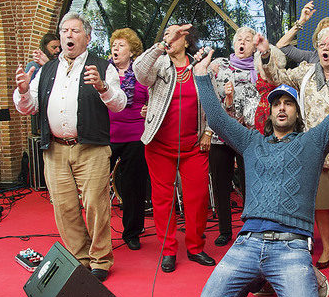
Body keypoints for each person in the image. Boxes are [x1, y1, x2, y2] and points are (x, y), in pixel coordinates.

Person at [195, 36, 329, 297]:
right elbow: (219, 120)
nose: (282, 108)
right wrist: (201, 77)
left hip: (291, 247)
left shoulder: (313, 142)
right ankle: (261, 277)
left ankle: (305, 275)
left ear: (297, 114)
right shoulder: (251, 142)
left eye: (289, 103)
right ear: (270, 110)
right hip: (247, 244)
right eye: (277, 103)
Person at [14, 12, 126, 281]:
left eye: (75, 31)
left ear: (87, 37)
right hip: (54, 149)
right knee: (63, 207)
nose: (68, 35)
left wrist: (101, 87)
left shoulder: (103, 66)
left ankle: (101, 258)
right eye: (65, 31)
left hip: (91, 148)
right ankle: (80, 257)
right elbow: (29, 109)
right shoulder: (46, 70)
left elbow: (120, 103)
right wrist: (23, 91)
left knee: (96, 205)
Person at [258, 26, 329, 271]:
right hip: (314, 151)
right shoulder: (306, 71)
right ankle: (327, 247)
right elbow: (277, 76)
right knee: (320, 205)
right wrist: (266, 55)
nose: (325, 49)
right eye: (321, 45)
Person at [134, 23, 216, 273]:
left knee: (198, 197)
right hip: (159, 145)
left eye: (175, 35)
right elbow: (139, 72)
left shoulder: (201, 67)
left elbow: (214, 101)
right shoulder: (158, 63)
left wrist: (209, 131)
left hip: (193, 145)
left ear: (187, 41)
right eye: (166, 34)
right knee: (162, 199)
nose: (169, 38)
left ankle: (195, 247)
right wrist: (160, 45)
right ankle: (168, 249)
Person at [207, 26, 262, 247]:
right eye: (239, 39)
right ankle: (224, 230)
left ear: (253, 46)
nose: (242, 43)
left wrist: (237, 110)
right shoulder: (219, 66)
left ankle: (250, 228)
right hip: (220, 135)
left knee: (250, 183)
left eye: (247, 40)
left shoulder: (258, 70)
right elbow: (207, 95)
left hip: (246, 135)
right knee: (221, 184)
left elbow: (258, 104)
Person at [108, 28, 150, 251]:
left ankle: (132, 232)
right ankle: (97, 233)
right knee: (96, 185)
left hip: (135, 135)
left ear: (132, 51)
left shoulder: (142, 75)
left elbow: (154, 101)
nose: (116, 48)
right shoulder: (104, 73)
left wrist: (148, 110)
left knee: (133, 186)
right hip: (107, 135)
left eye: (121, 45)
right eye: (114, 44)